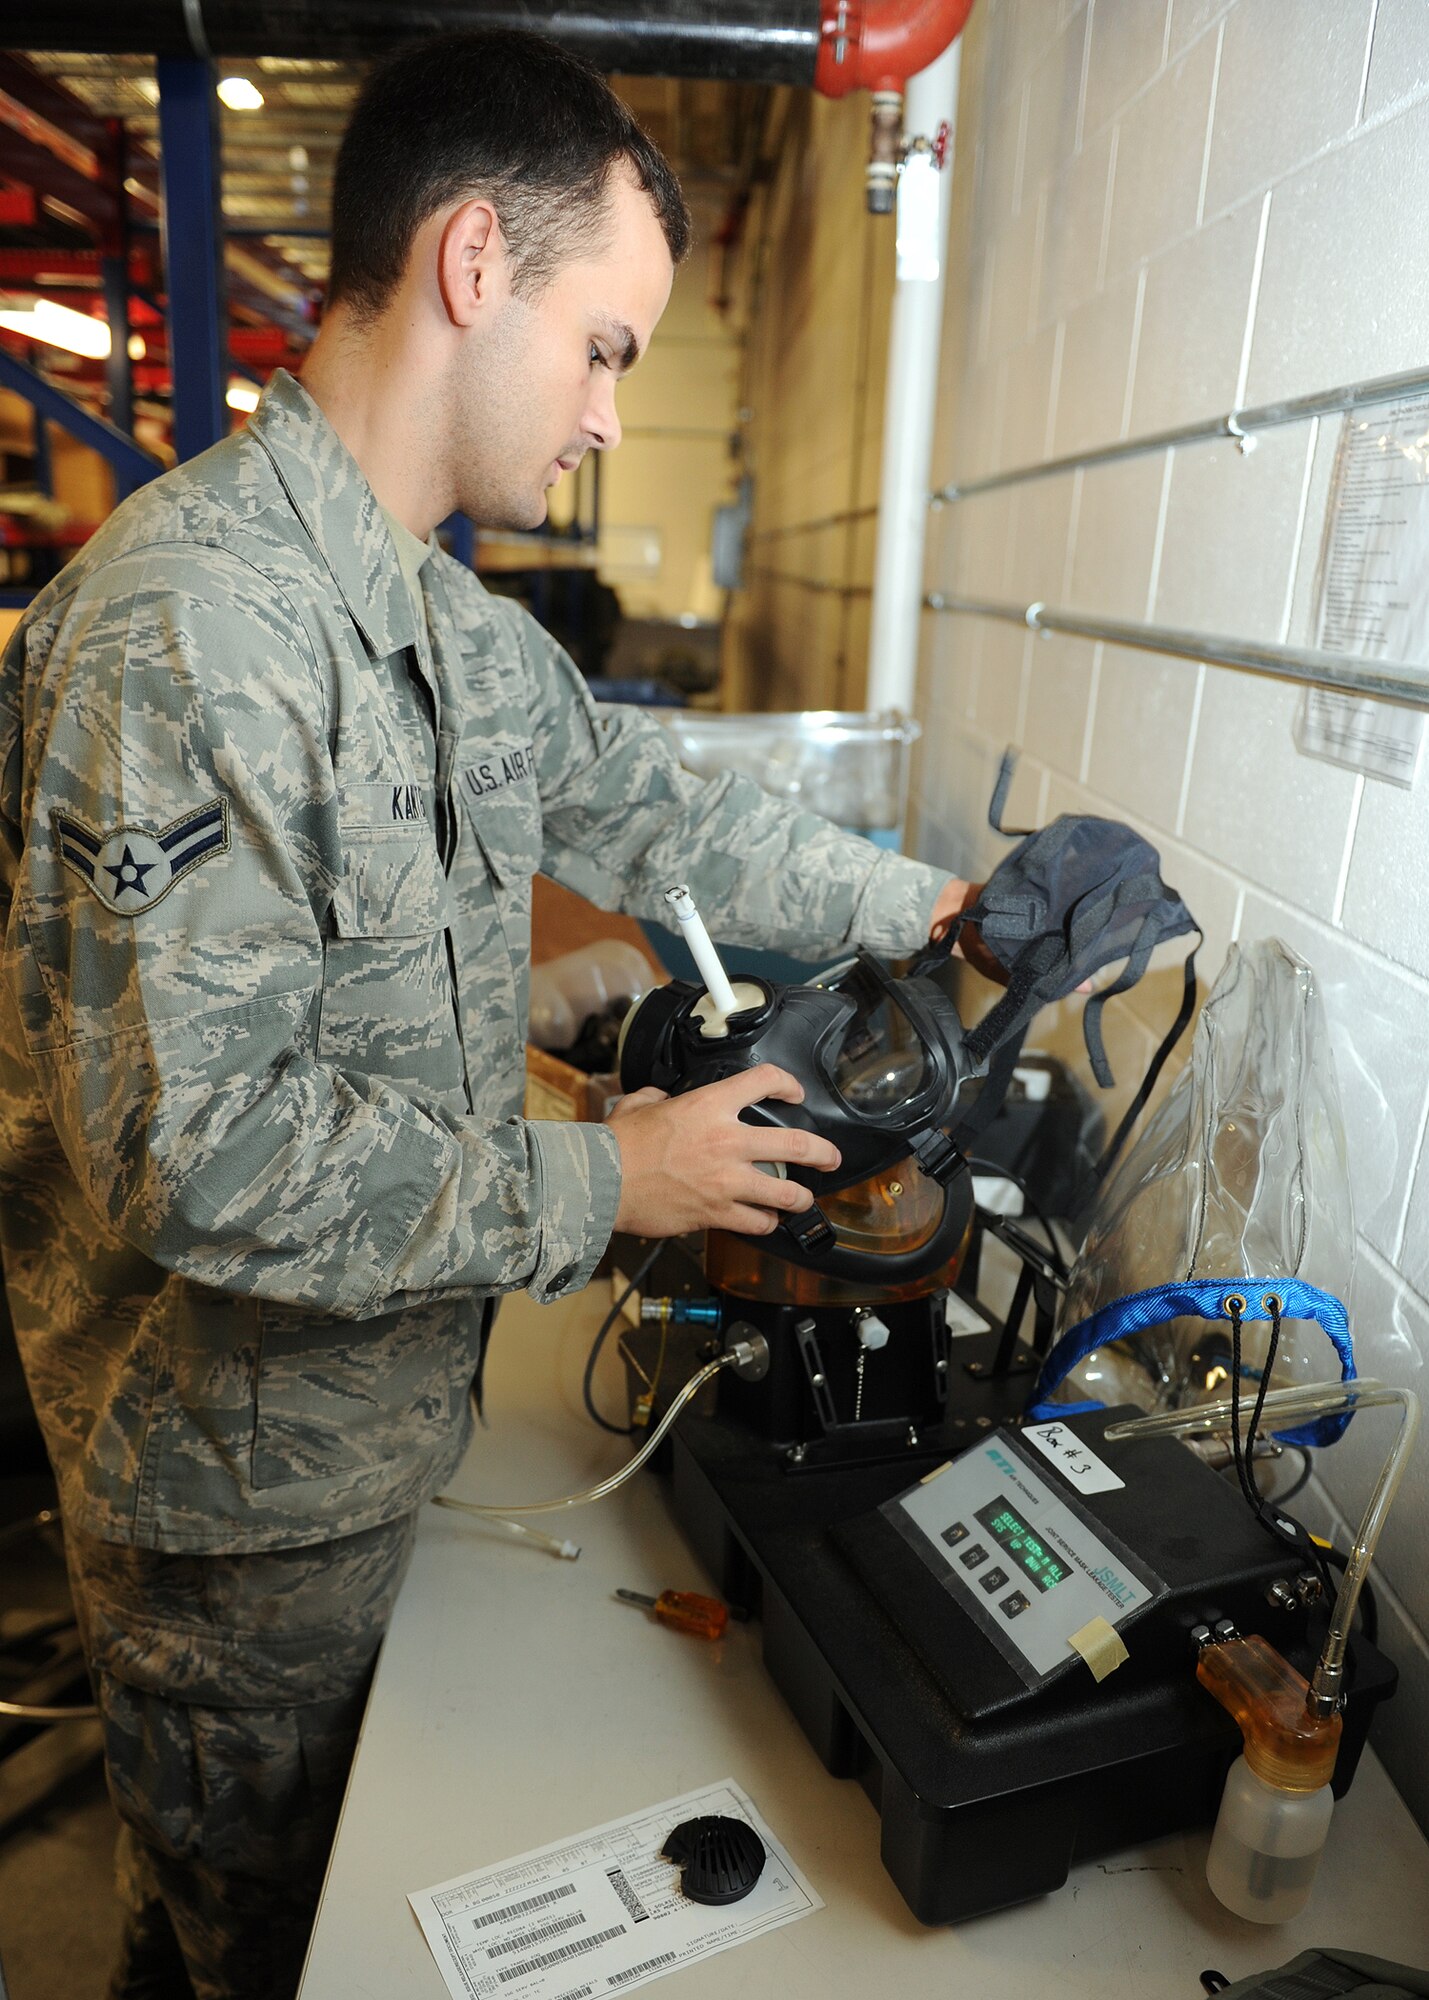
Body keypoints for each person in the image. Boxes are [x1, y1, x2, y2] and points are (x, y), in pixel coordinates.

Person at [0, 30, 974, 2000]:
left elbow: (664, 812)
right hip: (234, 1517)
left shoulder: (444, 630)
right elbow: (197, 1154)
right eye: (608, 345)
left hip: (373, 1445)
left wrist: (948, 904)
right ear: (470, 267)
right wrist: (605, 1178)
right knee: (260, 1952)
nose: (616, 409)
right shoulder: (190, 630)